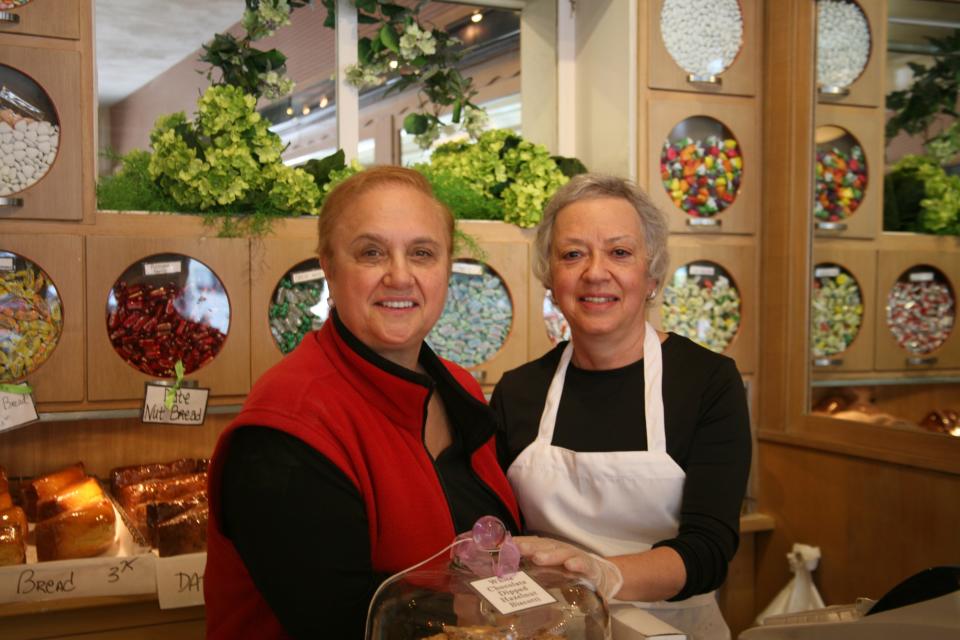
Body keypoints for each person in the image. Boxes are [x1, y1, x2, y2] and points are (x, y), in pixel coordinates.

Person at [204, 166, 520, 639]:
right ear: (328, 268)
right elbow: (345, 622)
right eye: (371, 252)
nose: (399, 275)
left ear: (447, 269)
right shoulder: (284, 428)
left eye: (422, 253)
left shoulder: (459, 388)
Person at [491, 174, 751, 640]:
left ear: (651, 276)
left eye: (620, 252)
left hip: (676, 629)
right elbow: (501, 533)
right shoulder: (518, 392)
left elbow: (710, 549)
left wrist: (605, 574)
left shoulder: (708, 382)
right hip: (550, 627)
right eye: (573, 254)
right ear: (550, 277)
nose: (595, 272)